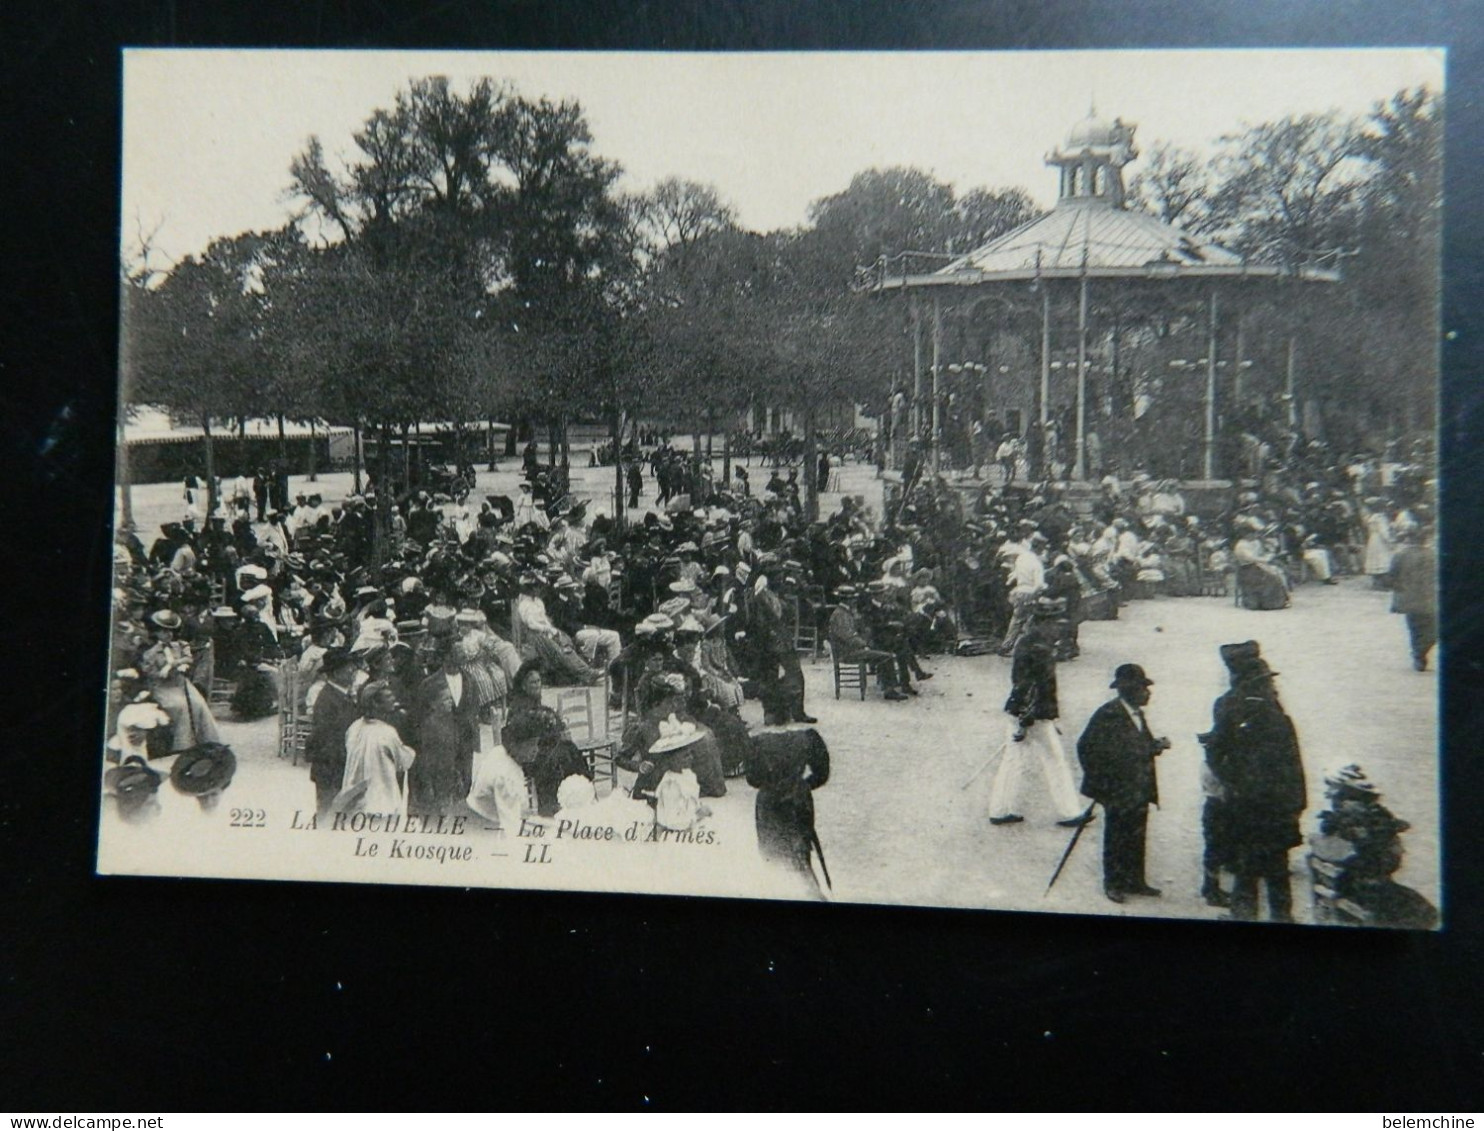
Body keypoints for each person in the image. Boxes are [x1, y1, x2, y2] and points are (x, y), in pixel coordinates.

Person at [1198, 641, 1307, 923]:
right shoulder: (1279, 718)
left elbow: (1217, 754)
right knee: (1276, 871)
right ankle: (1282, 919)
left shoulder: (1229, 707)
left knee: (1247, 870)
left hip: (1246, 808)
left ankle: (1243, 917)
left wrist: (1234, 786)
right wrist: (1295, 805)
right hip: (1276, 808)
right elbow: (1294, 766)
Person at [988, 600, 1091, 828]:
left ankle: (1000, 809)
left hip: (1026, 711)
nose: (1059, 629)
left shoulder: (1031, 641)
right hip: (1033, 713)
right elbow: (1031, 684)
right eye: (1056, 624)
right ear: (1045, 623)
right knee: (1053, 760)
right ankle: (1069, 812)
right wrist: (1027, 718)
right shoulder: (1039, 647)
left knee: (1015, 760)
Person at [1076, 663, 1171, 903]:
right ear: (1129, 691)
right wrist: (1100, 781)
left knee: (1137, 834)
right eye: (1143, 688)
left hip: (1138, 788)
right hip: (1117, 790)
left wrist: (1155, 746)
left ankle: (1135, 880)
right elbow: (1086, 747)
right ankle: (1114, 883)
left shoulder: (1138, 714)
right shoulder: (1108, 714)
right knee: (1117, 837)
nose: (1148, 693)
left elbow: (1137, 746)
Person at [500, 662, 593, 816]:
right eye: (533, 682)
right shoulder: (517, 706)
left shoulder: (538, 704)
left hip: (541, 750)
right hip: (528, 755)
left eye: (539, 681)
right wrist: (542, 720)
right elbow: (517, 731)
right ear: (524, 686)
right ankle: (550, 804)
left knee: (568, 749)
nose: (537, 685)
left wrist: (557, 725)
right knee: (559, 756)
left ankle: (579, 794)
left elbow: (550, 722)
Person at [410, 638, 480, 816]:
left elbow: (474, 710)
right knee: (442, 786)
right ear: (447, 655)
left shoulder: (470, 680)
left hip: (464, 742)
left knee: (464, 783)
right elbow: (421, 717)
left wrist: (473, 739)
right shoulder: (430, 684)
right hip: (440, 744)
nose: (464, 655)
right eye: (459, 652)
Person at [339, 681, 416, 817]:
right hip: (381, 803)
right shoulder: (387, 732)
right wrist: (412, 750)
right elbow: (403, 762)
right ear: (376, 704)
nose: (394, 699)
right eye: (388, 697)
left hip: (353, 801)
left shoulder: (354, 727)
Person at [827, 585, 909, 700]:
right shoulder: (841, 614)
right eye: (853, 599)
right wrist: (865, 645)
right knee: (886, 656)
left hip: (852, 649)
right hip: (848, 652)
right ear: (848, 600)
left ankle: (887, 685)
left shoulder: (845, 612)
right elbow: (849, 637)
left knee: (882, 650)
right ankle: (889, 690)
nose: (855, 601)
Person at [305, 648, 360, 815]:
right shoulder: (327, 700)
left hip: (338, 768)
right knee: (329, 815)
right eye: (349, 668)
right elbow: (326, 740)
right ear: (336, 673)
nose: (354, 671)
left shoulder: (342, 694)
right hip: (331, 770)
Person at [1389, 526, 1437, 671]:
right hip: (1429, 598)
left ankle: (1418, 654)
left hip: (1408, 598)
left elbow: (1392, 577)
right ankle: (1421, 652)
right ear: (1425, 539)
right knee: (1431, 628)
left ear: (1409, 538)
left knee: (1414, 628)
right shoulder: (1433, 555)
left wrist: (1400, 588)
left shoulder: (1400, 555)